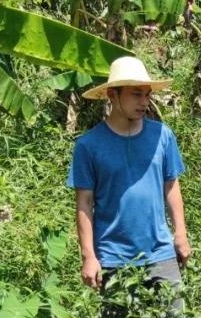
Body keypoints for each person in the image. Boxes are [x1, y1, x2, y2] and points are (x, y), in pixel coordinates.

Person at [67, 56, 190, 303]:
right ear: (112, 95)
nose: (144, 102)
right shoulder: (89, 146)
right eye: (136, 94)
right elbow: (84, 203)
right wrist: (89, 256)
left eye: (147, 95)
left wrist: (181, 234)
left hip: (160, 253)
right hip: (113, 258)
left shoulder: (162, 136)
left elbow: (171, 185)